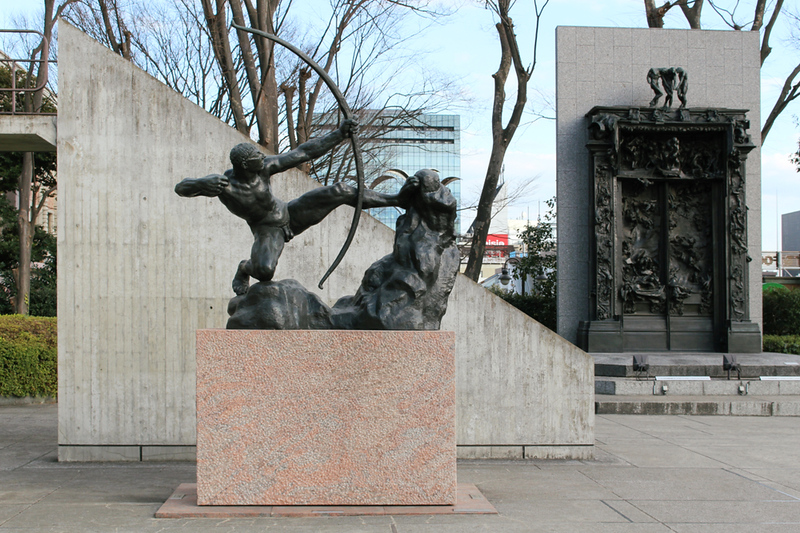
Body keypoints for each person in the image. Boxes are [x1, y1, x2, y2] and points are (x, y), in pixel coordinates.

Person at [175, 119, 401, 295]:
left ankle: (397, 199)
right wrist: (200, 183)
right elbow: (181, 188)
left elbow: (303, 153)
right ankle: (244, 267)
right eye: (256, 156)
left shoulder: (263, 167)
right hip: (267, 230)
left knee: (340, 190)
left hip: (291, 214)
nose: (261, 156)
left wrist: (340, 134)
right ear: (245, 165)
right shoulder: (224, 186)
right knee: (264, 271)